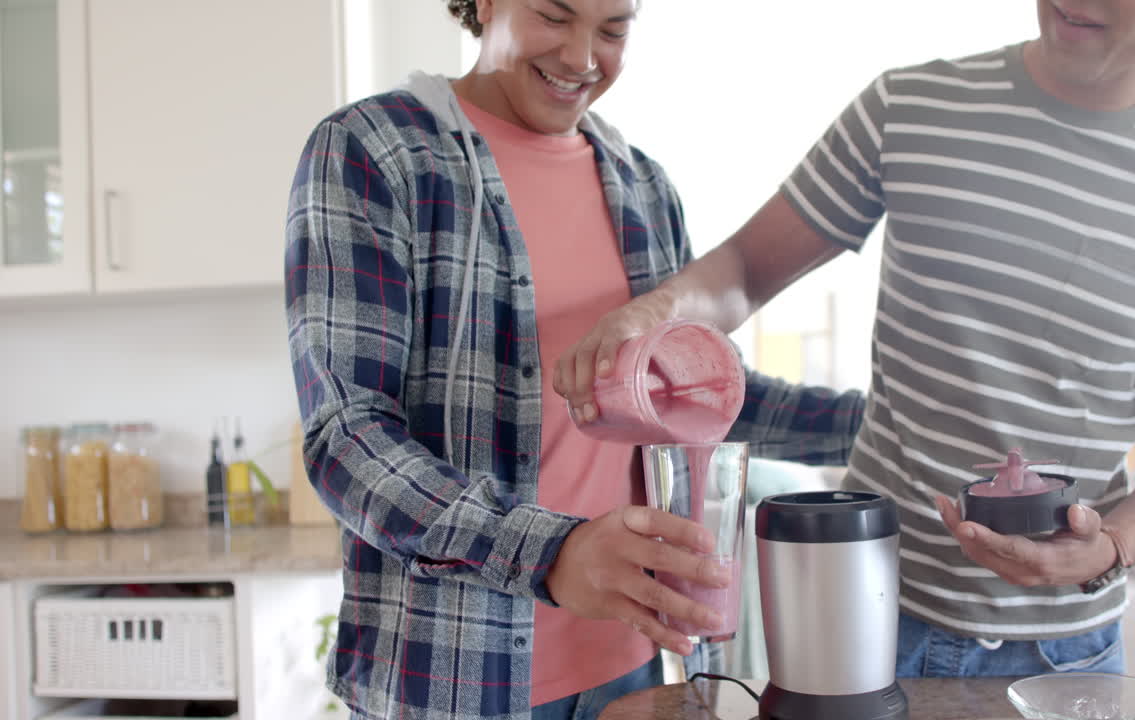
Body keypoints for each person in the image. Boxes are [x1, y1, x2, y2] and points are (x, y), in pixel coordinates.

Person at [558, 0, 1135, 678]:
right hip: (860, 617)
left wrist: (1111, 547)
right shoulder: (910, 106)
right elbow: (745, 269)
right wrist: (649, 315)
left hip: (1065, 652)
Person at [283, 0, 865, 718]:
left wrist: (889, 424)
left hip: (642, 668)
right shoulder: (377, 153)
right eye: (555, 16)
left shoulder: (643, 186)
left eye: (613, 30)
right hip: (457, 681)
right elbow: (348, 437)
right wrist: (553, 553)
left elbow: (702, 395)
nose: (583, 58)